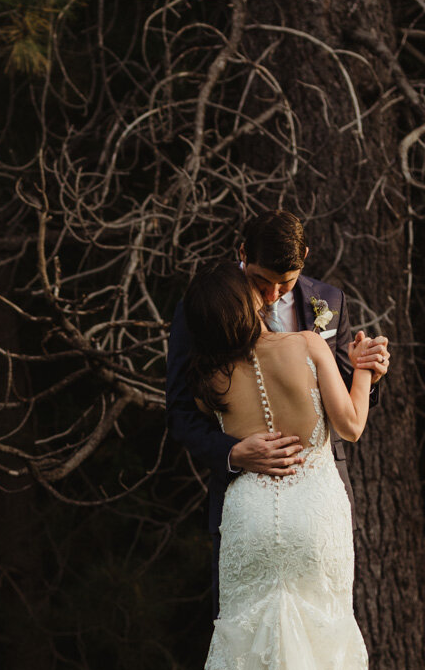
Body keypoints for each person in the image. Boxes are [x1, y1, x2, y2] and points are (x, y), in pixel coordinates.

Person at [180, 259, 395, 670]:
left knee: (250, 641)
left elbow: (203, 421)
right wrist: (365, 373)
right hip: (311, 506)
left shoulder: (209, 376)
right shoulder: (306, 344)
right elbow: (349, 426)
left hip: (250, 512)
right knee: (320, 634)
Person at [165, 210, 391, 607]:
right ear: (242, 253)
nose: (271, 296)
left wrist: (368, 373)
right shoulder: (201, 307)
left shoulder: (328, 300)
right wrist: (232, 453)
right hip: (243, 495)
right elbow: (182, 412)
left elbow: (336, 387)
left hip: (318, 495)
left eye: (283, 284)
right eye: (260, 281)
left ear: (304, 256)